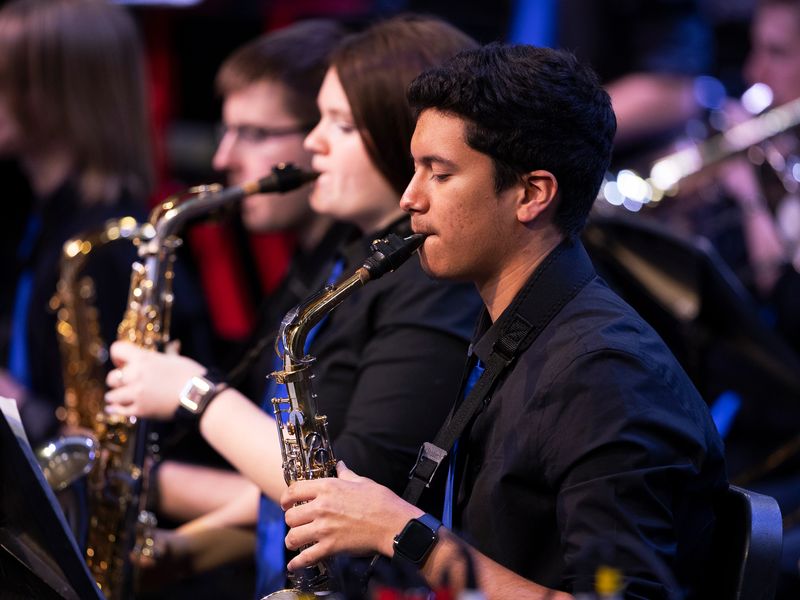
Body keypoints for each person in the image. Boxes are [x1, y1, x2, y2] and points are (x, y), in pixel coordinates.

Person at [278, 44, 728, 599]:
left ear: (531, 194)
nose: (409, 198)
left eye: (438, 174)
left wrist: (404, 534)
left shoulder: (605, 374)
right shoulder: (517, 328)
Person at [103, 15, 482, 597]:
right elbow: (294, 494)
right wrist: (191, 548)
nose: (313, 142)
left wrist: (193, 394)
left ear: (404, 135)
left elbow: (353, 493)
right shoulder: (348, 257)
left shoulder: (432, 282)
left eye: (341, 124)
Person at [0, 0, 153, 446]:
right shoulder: (39, 217)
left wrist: (16, 403)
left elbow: (114, 443)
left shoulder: (109, 247)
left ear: (55, 94)